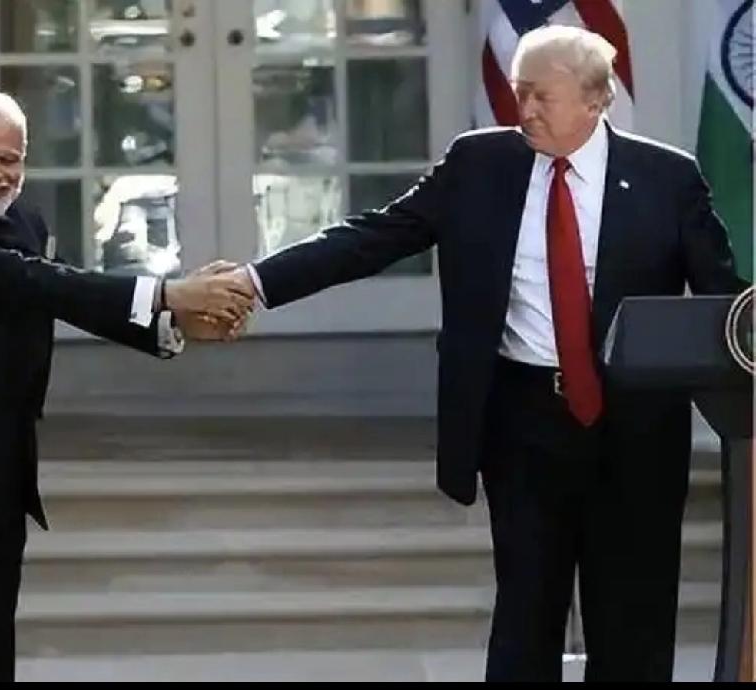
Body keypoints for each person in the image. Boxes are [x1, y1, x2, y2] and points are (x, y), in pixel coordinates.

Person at [224, 26, 746, 681]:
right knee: (526, 620)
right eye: (519, 92)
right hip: (522, 423)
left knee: (632, 629)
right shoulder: (479, 165)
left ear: (596, 100)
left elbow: (725, 305)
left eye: (541, 96)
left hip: (635, 429)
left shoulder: (666, 178)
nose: (523, 109)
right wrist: (254, 282)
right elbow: (373, 237)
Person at [0, 89, 252, 682]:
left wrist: (171, 324)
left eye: (9, 159)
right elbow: (27, 279)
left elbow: (52, 293)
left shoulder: (26, 218)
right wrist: (166, 292)